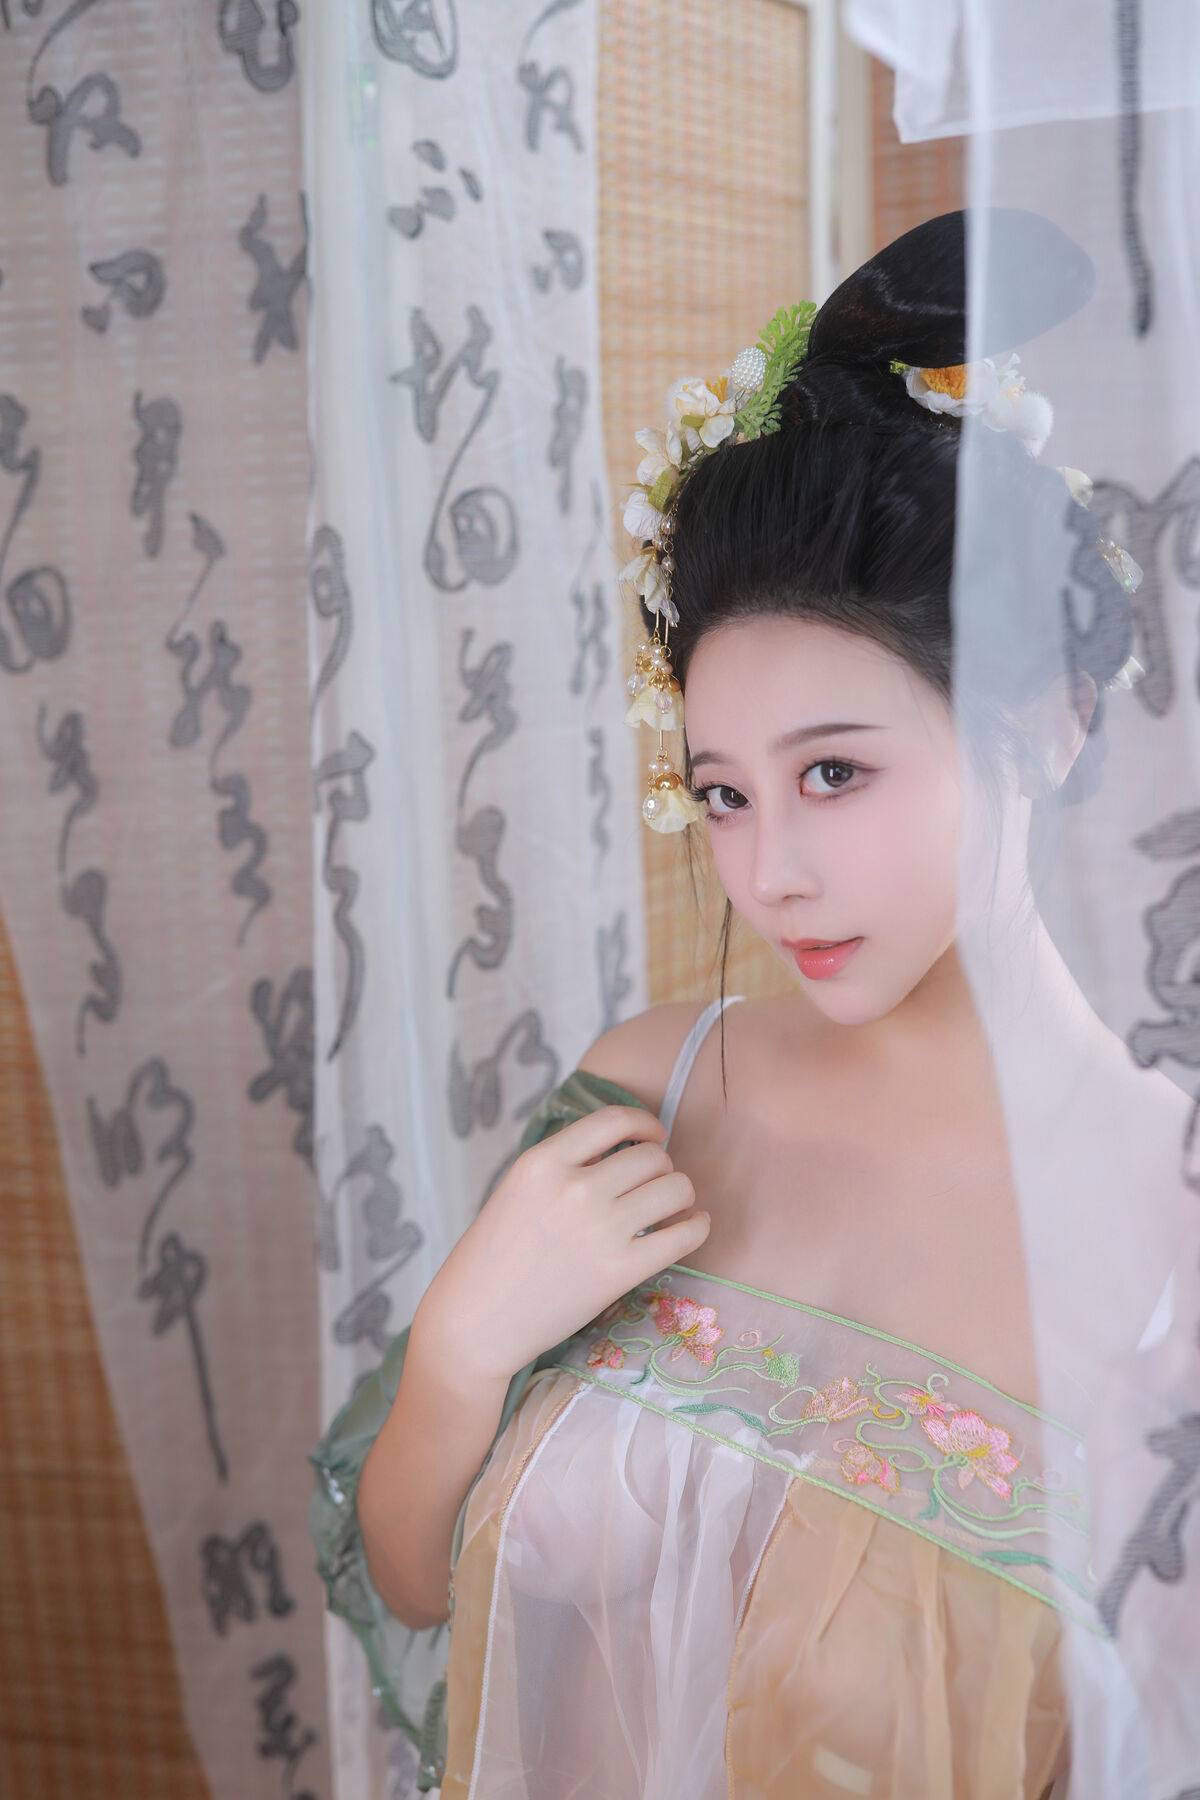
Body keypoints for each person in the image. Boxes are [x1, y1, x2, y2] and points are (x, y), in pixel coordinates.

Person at [310, 212, 1183, 1798]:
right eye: (723, 793)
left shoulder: (1167, 1228)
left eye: (834, 774)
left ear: (1054, 723)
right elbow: (419, 1585)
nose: (769, 874)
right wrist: (458, 1350)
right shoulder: (652, 1090)